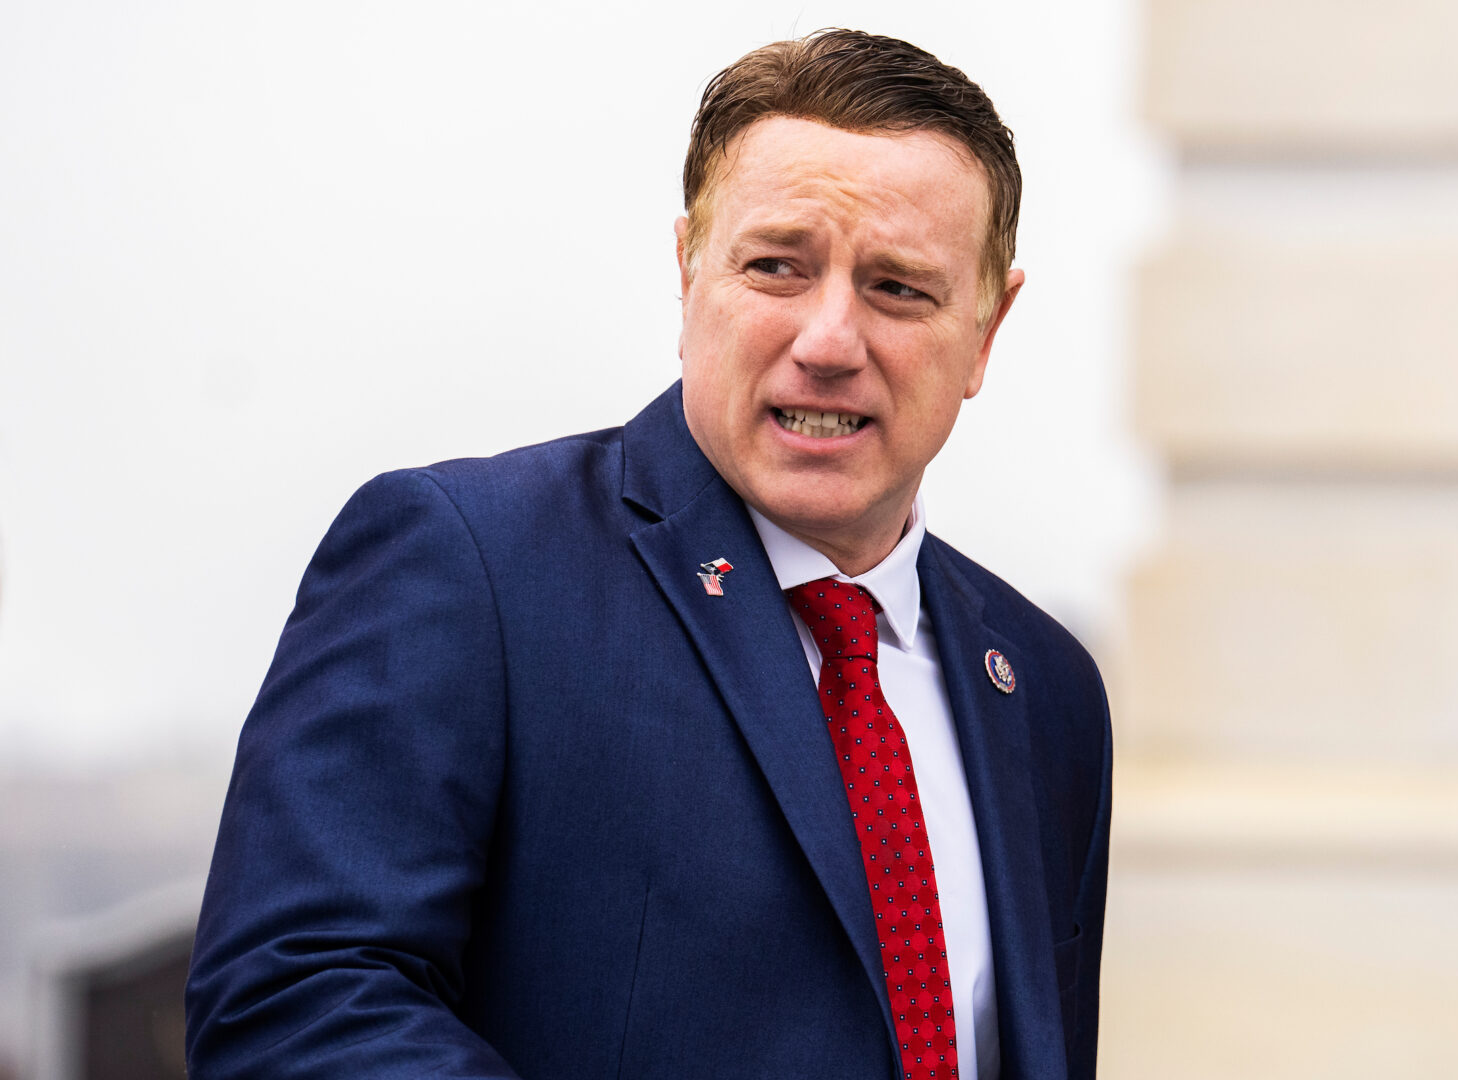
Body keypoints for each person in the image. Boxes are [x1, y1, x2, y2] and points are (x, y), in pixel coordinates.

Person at [186, 28, 1111, 1080]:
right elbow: (294, 1005)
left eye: (898, 288)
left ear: (986, 330)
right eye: (776, 268)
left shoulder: (1045, 691)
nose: (828, 340)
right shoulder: (473, 566)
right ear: (687, 274)